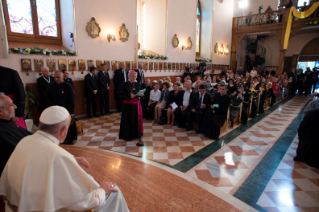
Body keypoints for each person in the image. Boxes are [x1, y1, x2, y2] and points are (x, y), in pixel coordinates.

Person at [0, 106, 129, 211]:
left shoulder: (26, 140)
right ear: (63, 130)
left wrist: (71, 159)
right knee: (114, 193)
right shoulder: (57, 154)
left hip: (17, 205)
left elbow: (41, 160)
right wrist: (102, 190)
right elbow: (81, 202)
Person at [0, 94, 32, 176]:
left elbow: (29, 136)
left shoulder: (7, 122)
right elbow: (18, 152)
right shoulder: (2, 131)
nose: (15, 107)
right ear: (0, 111)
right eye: (11, 105)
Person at [46, 70, 77, 145]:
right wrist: (52, 105)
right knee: (57, 125)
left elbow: (72, 99)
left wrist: (71, 111)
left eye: (58, 77)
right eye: (55, 77)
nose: (56, 79)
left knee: (68, 124)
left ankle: (70, 139)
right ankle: (58, 138)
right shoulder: (50, 86)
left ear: (62, 76)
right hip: (55, 109)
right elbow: (47, 98)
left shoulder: (68, 86)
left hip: (66, 109)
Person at [118, 71, 144, 146]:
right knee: (127, 121)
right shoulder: (124, 85)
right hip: (127, 106)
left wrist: (142, 95)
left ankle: (136, 134)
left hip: (136, 106)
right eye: (133, 76)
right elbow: (119, 96)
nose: (134, 78)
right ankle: (127, 136)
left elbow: (141, 95)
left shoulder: (138, 85)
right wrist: (129, 96)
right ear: (128, 76)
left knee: (136, 120)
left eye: (135, 76)